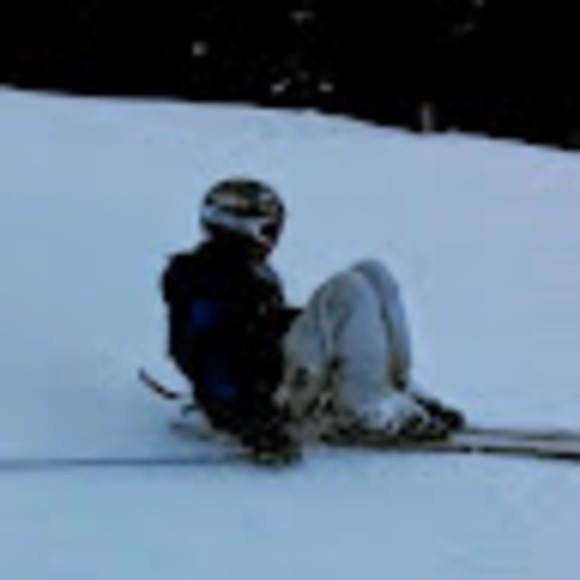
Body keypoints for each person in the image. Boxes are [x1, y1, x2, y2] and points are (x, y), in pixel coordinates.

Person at [161, 177, 464, 464]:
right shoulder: (203, 280)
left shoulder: (244, 271)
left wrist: (316, 324)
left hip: (279, 377)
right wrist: (249, 422)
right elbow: (207, 353)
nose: (273, 237)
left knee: (372, 272)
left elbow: (261, 325)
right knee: (347, 291)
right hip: (263, 400)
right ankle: (363, 413)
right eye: (268, 227)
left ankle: (394, 390)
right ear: (241, 228)